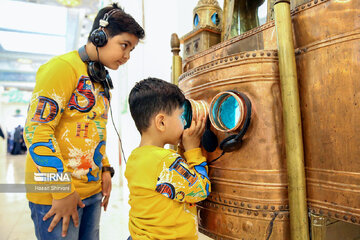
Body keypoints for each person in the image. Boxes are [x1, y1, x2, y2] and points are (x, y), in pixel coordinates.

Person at [23, 3, 145, 240]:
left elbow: (95, 129)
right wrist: (61, 190)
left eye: (131, 50)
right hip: (56, 194)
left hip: (91, 191)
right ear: (100, 36)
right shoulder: (61, 68)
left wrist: (106, 168)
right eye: (124, 45)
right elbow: (36, 131)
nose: (127, 56)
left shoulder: (100, 78)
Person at [126, 78, 211, 239]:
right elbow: (201, 190)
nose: (185, 122)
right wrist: (193, 150)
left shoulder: (135, 157)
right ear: (161, 122)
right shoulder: (166, 161)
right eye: (181, 116)